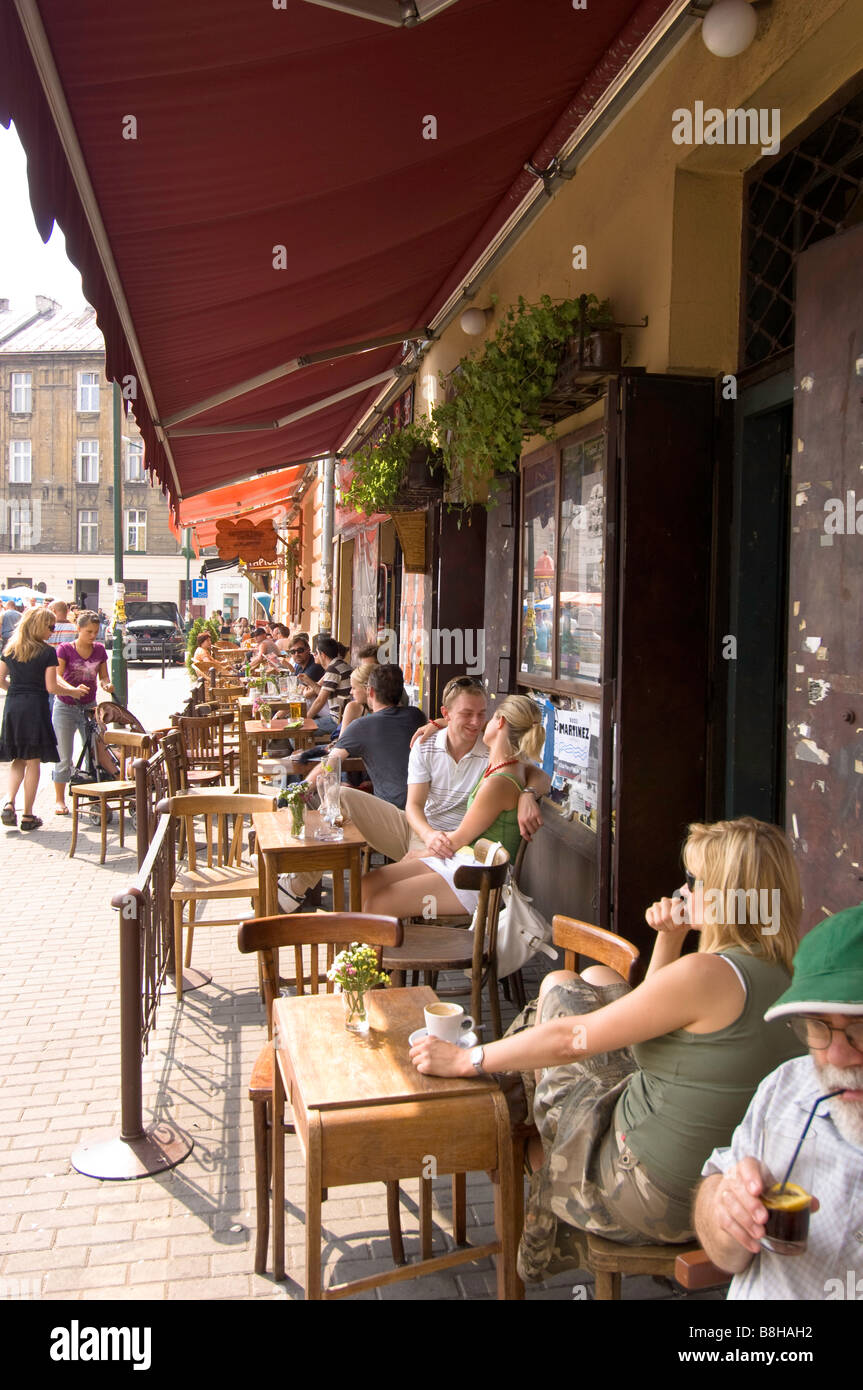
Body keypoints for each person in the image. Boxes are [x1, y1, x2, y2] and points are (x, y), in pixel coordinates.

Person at [410, 816, 805, 1277]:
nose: (683, 889)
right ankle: (503, 1090)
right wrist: (671, 936)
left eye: (694, 880)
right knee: (590, 978)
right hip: (725, 1193)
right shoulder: (791, 973)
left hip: (648, 1196)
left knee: (557, 997)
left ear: (725, 893)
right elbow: (650, 1020)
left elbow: (568, 1044)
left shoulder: (707, 974)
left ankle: (492, 1108)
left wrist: (466, 1059)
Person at [694, 905, 863, 1299]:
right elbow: (722, 1245)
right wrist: (726, 1210)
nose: (836, 1056)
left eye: (859, 1026)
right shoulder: (788, 1086)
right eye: (818, 1026)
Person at [361, 693, 542, 919]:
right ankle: (363, 951)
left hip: (481, 876)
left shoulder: (499, 782)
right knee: (368, 883)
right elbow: (541, 776)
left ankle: (373, 954)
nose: (480, 723)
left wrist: (421, 853)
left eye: (489, 716)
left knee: (379, 903)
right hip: (464, 859)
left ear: (500, 722)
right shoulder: (511, 765)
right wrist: (529, 793)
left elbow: (459, 839)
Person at [277, 664, 427, 911]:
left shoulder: (362, 726)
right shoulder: (416, 716)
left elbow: (329, 766)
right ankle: (292, 880)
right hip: (419, 814)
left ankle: (292, 875)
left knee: (330, 801)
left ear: (370, 692)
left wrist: (300, 789)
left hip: (392, 817)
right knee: (334, 810)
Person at [0, 607, 89, 831]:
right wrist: (73, 692)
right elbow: (51, 686)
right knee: (33, 762)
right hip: (35, 707)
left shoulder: (10, 648)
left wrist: (16, 690)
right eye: (50, 627)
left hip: (13, 706)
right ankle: (28, 815)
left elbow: (0, 678)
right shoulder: (46, 652)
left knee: (17, 759)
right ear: (39, 626)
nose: (53, 630)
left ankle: (9, 802)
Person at [52, 610, 114, 816]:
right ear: (78, 629)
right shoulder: (65, 650)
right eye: (88, 631)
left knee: (94, 753)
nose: (92, 636)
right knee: (64, 755)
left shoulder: (99, 651)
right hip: (65, 706)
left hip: (90, 707)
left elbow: (103, 676)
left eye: (95, 632)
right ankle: (60, 800)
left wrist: (107, 685)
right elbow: (57, 677)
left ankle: (94, 797)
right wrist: (71, 690)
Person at [303, 637, 352, 735]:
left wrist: (305, 721)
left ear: (323, 655)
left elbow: (320, 700)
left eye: (316, 652)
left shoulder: (333, 669)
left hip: (337, 720)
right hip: (344, 716)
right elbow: (322, 693)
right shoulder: (340, 665)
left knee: (296, 734)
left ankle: (305, 750)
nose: (314, 655)